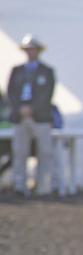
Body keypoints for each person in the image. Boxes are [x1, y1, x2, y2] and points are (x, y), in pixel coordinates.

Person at [6, 34, 57, 196]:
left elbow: (47, 94)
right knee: (20, 152)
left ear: (38, 51)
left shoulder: (46, 71)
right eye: (28, 49)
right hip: (20, 117)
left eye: (33, 49)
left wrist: (33, 108)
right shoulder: (17, 70)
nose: (31, 52)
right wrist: (20, 108)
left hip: (40, 116)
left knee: (46, 151)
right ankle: (20, 185)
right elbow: (10, 93)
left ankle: (47, 186)